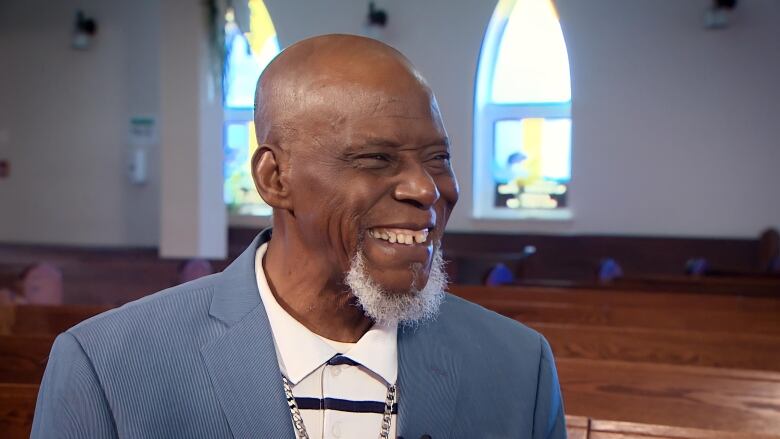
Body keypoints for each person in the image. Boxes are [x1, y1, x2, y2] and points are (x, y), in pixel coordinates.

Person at [32, 34, 565, 438]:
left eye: (438, 159)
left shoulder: (518, 368)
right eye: (376, 158)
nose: (426, 190)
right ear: (274, 179)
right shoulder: (108, 367)